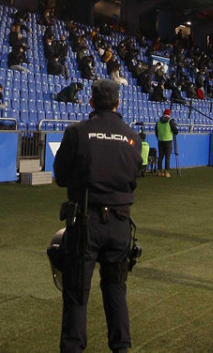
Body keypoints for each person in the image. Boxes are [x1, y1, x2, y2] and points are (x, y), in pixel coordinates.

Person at [54, 79, 141, 353]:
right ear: (117, 103)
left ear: (91, 103)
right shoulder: (133, 137)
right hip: (120, 223)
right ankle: (121, 349)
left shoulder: (77, 133)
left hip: (86, 222)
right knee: (116, 291)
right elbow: (134, 178)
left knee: (77, 294)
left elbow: (61, 177)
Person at [155, 109, 179, 177]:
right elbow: (175, 130)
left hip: (160, 140)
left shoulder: (158, 121)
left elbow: (156, 131)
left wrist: (159, 137)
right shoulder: (170, 121)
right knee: (167, 157)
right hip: (168, 141)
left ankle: (159, 171)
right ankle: (166, 172)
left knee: (160, 156)